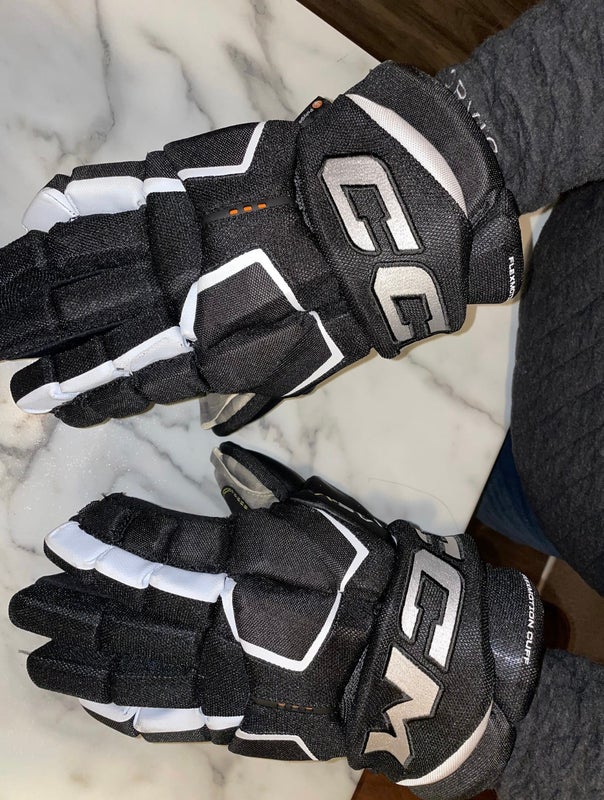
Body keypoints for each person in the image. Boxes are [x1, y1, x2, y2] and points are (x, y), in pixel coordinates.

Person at [2, 0, 603, 797]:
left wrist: (465, 701)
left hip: (545, 489)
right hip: (571, 269)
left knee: (451, 476)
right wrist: (471, 147)